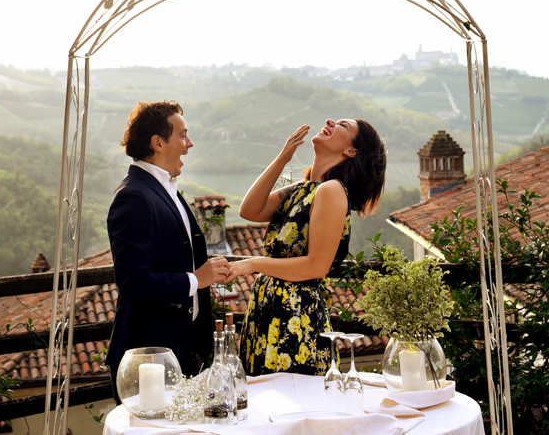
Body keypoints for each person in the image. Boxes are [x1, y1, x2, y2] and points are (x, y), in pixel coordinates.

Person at [228, 117, 387, 375]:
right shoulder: (303, 189)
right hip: (267, 311)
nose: (330, 121)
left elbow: (317, 266)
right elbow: (249, 210)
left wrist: (253, 264)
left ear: (350, 151)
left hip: (295, 319)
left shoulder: (332, 191)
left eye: (343, 126)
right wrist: (282, 159)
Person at [106, 100, 231, 400]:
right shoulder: (133, 197)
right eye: (183, 135)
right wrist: (198, 279)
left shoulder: (165, 190)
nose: (190, 144)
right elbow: (135, 283)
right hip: (149, 360)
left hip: (184, 354)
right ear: (157, 142)